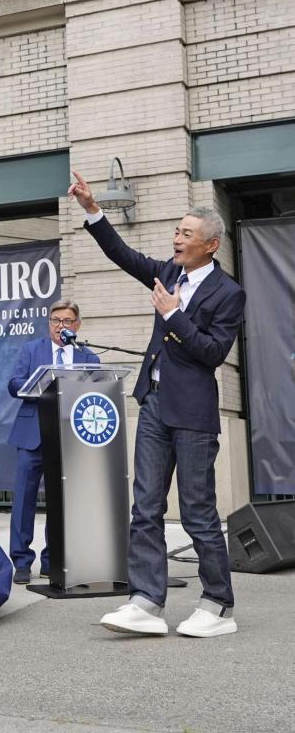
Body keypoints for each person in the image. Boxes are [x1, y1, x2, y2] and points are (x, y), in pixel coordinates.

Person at [69, 170, 245, 638]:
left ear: (210, 245)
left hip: (193, 414)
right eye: (176, 231)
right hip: (153, 404)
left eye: (186, 233)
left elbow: (211, 353)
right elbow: (123, 254)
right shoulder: (167, 271)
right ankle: (145, 601)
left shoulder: (228, 293)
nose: (177, 238)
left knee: (197, 511)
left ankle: (217, 604)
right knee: (145, 507)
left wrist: (173, 314)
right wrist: (93, 209)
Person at [8, 299, 100, 585]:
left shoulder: (89, 358)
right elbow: (14, 383)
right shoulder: (31, 349)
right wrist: (35, 385)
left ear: (77, 325)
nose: (61, 326)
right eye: (55, 320)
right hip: (32, 434)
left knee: (60, 503)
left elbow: (97, 392)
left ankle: (52, 560)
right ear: (49, 323)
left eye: (67, 321)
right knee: (24, 500)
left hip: (68, 437)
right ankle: (21, 561)